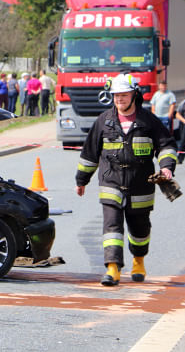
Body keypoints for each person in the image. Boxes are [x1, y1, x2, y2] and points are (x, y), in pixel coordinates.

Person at [75, 73, 178, 287]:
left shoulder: (148, 120)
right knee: (111, 226)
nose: (119, 99)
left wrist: (166, 167)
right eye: (116, 95)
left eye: (123, 95)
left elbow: (167, 145)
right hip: (110, 182)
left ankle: (138, 261)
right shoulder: (104, 121)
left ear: (133, 95)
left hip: (141, 184)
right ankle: (112, 268)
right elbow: (90, 153)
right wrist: (81, 180)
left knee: (140, 228)